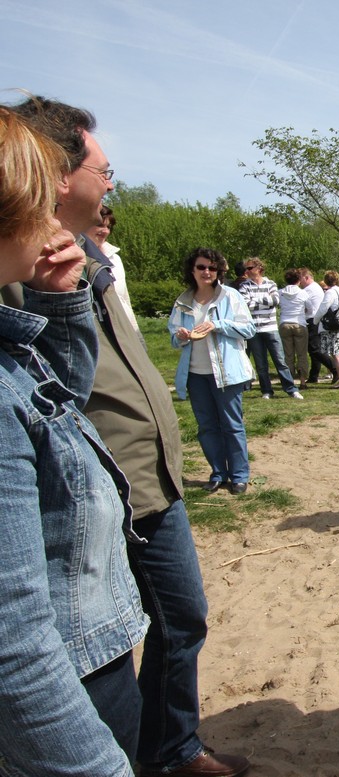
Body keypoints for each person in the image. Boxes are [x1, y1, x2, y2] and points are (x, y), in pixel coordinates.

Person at [14, 96, 252, 777]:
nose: (111, 184)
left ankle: (171, 749)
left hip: (151, 475)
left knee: (181, 619)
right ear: (59, 174)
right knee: (101, 649)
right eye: (104, 170)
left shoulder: (91, 255)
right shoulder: (23, 267)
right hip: (95, 489)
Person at [0, 103, 149, 777]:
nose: (53, 212)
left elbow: (57, 403)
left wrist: (61, 300)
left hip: (92, 636)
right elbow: (14, 641)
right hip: (67, 665)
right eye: (40, 193)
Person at [169, 248, 256, 495]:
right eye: (201, 267)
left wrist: (217, 325)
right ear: (192, 270)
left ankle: (239, 476)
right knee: (206, 426)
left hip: (227, 373)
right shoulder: (183, 301)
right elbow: (174, 337)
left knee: (232, 425)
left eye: (212, 267)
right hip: (195, 374)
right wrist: (181, 336)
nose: (206, 272)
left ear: (218, 271)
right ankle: (218, 472)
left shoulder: (230, 296)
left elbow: (248, 329)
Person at [239, 257, 302, 400]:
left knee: (280, 361)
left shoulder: (271, 284)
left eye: (250, 268)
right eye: (246, 268)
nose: (246, 271)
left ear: (259, 268)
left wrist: (255, 301)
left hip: (270, 328)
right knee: (261, 365)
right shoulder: (244, 286)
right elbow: (245, 304)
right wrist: (264, 301)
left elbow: (275, 301)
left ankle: (291, 389)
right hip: (254, 330)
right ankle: (266, 391)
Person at [86, 203, 138, 330]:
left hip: (123, 328)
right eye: (100, 225)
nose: (105, 231)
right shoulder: (78, 259)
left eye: (108, 227)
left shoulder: (115, 258)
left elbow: (124, 300)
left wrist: (136, 335)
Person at [298, 267, 331, 383]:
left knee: (314, 349)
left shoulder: (309, 290)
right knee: (314, 349)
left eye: (300, 279)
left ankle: (334, 368)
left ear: (306, 278)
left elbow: (302, 306)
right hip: (316, 320)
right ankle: (314, 375)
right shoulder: (315, 287)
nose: (299, 282)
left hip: (312, 320)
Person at [318, 270, 339, 389]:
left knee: (336, 354)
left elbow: (323, 308)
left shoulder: (330, 293)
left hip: (333, 327)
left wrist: (315, 321)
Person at [279, 267, 310, 389]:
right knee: (302, 354)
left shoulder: (280, 292)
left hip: (284, 323)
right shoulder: (303, 293)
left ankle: (289, 381)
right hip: (299, 324)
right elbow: (310, 308)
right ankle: (302, 381)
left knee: (288, 355)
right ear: (298, 280)